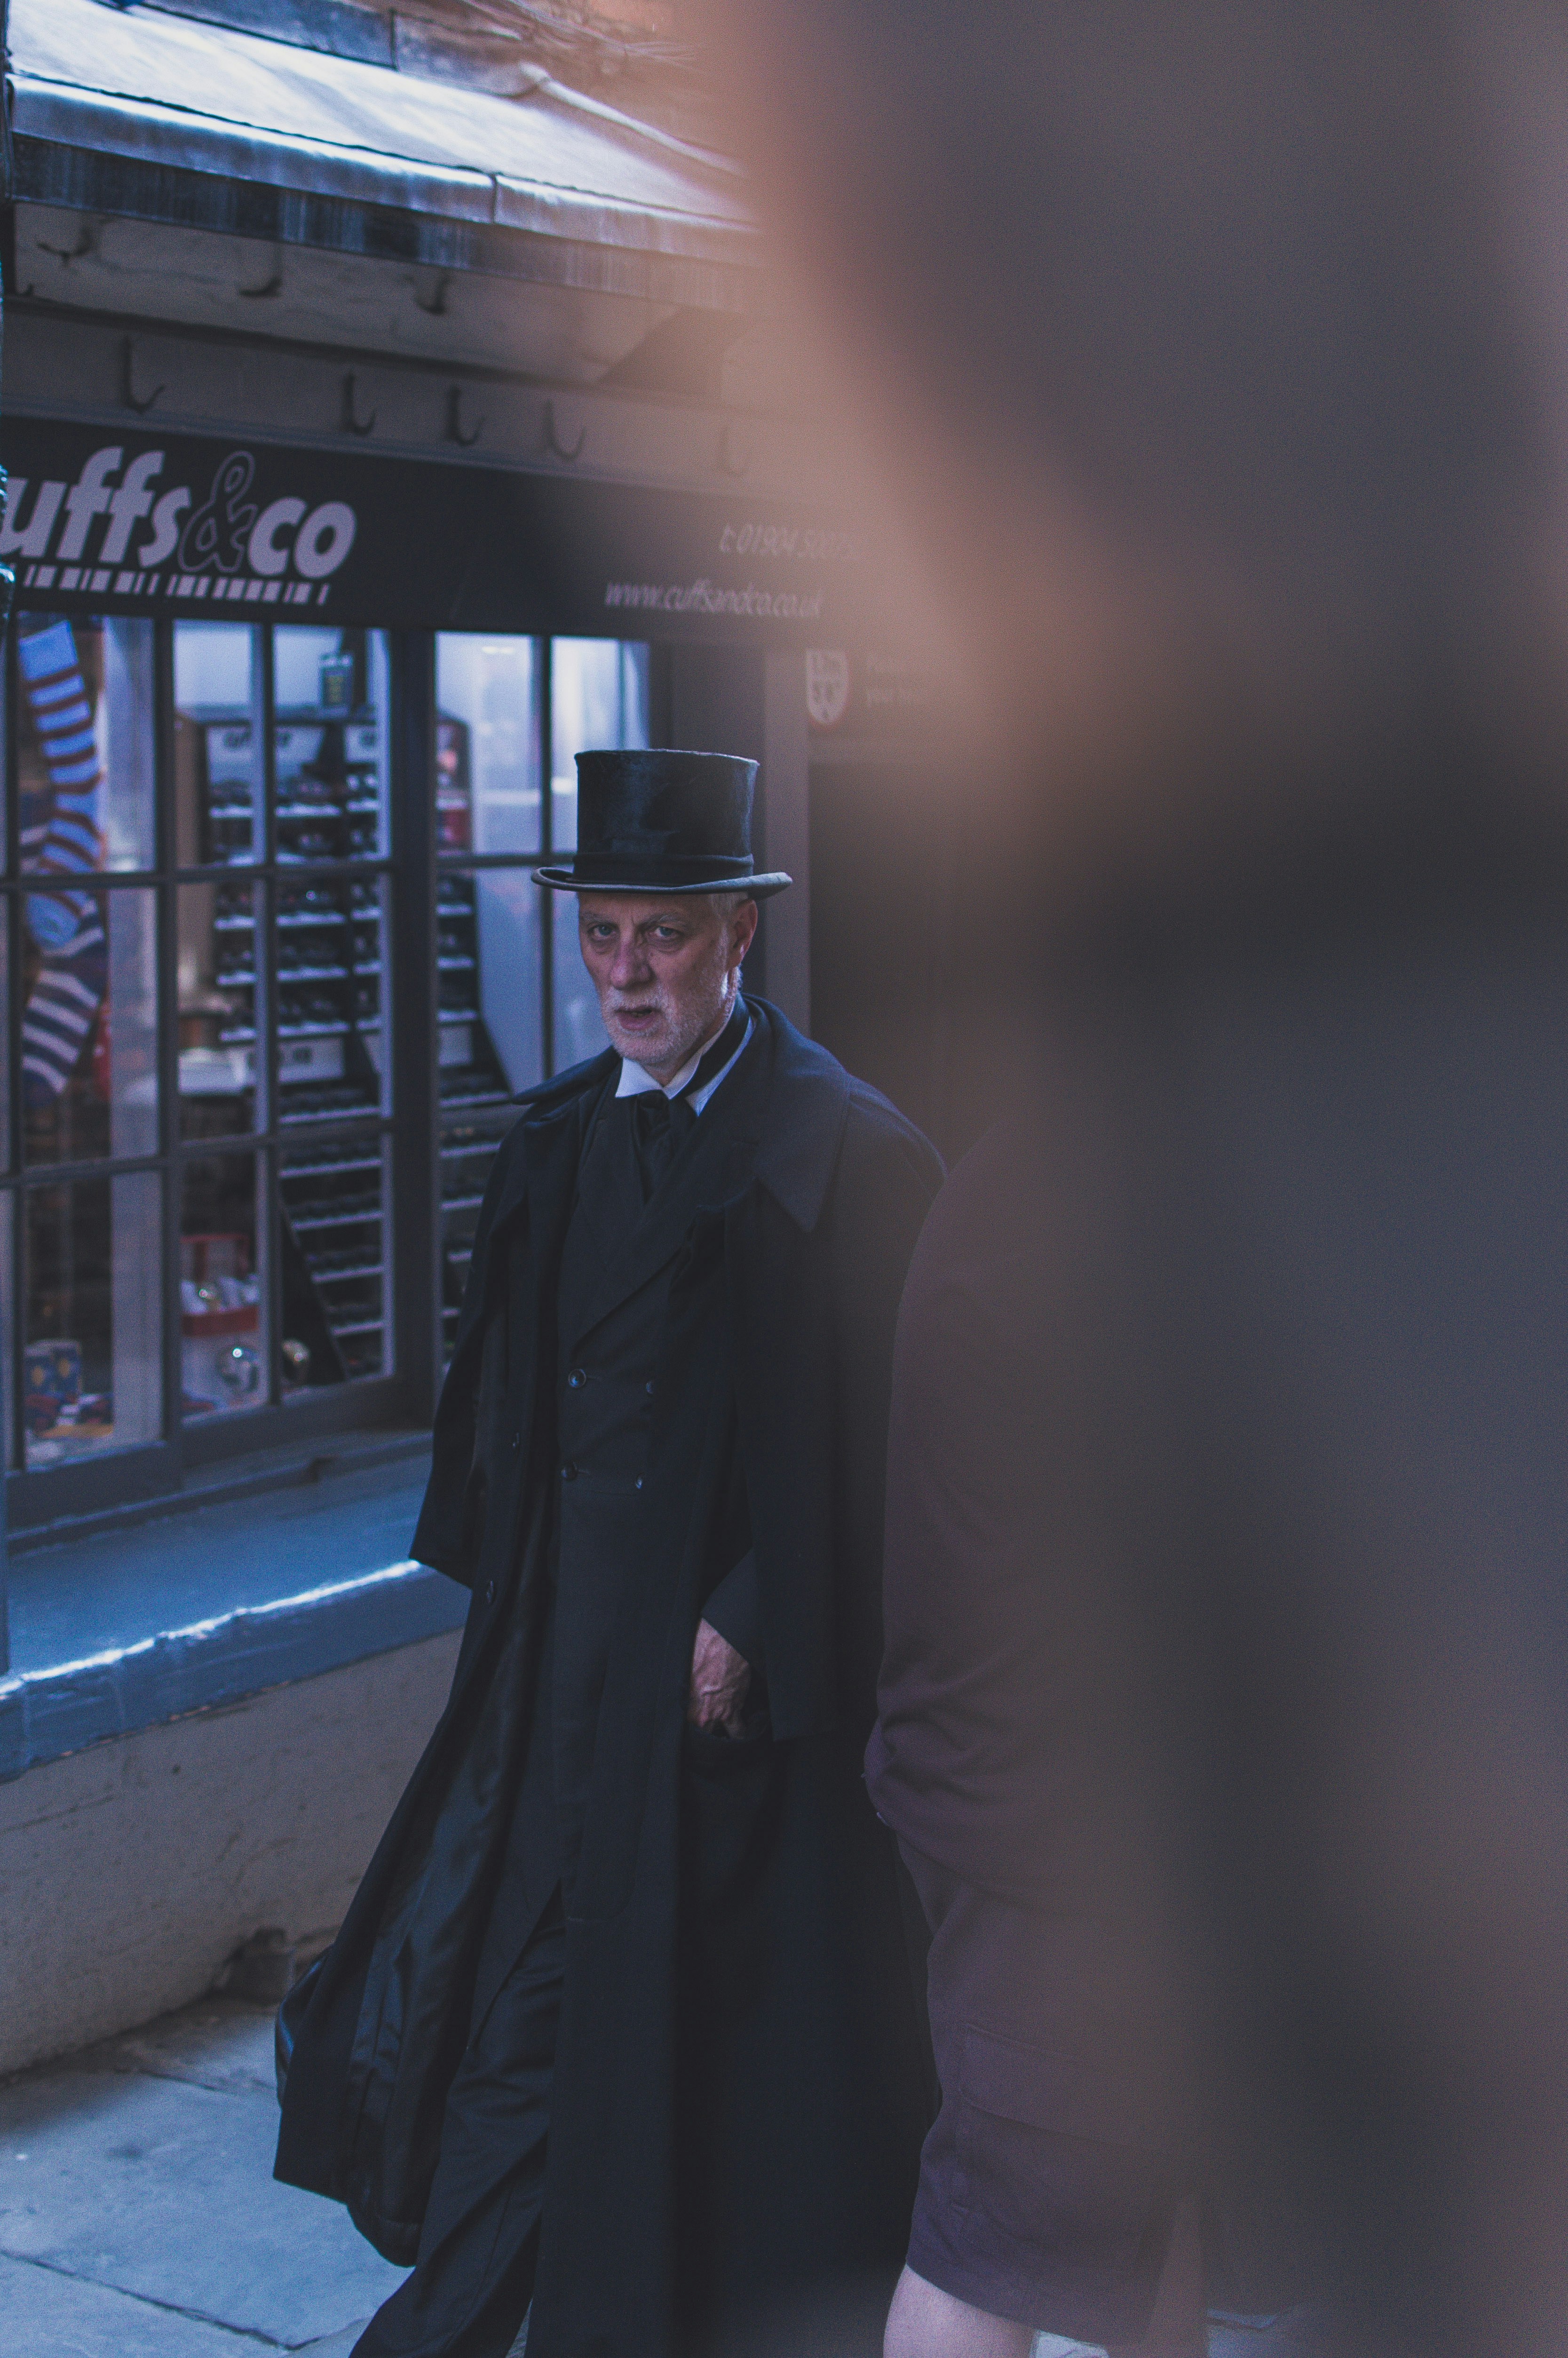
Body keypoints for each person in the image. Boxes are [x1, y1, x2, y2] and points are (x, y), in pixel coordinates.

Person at [703, 7, 1568, 2356]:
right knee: (1027, 2236)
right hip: (1068, 1857)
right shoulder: (1114, 1201)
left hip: (1057, 1840)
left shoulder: (1042, 1171)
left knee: (1077, 2237)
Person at [274, 746, 942, 2358]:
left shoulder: (847, 1157)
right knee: (513, 2033)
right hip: (553, 1697)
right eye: (602, 936)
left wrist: (758, 1610)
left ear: (739, 937)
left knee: (664, 2084)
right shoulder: (560, 1143)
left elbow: (920, 1448)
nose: (627, 974)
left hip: (722, 1729)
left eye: (665, 937)